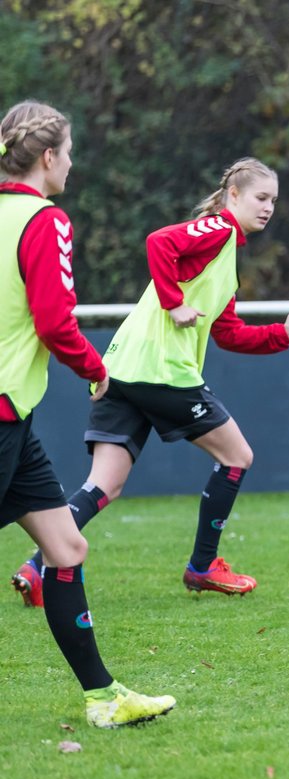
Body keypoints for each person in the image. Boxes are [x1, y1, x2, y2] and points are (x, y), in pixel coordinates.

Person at [12, 157, 289, 603]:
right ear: (233, 195)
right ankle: (203, 566)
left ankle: (38, 566)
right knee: (237, 456)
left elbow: (228, 332)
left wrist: (280, 334)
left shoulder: (225, 255)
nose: (269, 207)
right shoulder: (220, 230)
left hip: (121, 371)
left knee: (104, 485)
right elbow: (158, 241)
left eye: (274, 200)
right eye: (261, 197)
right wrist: (174, 304)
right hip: (162, 372)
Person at [0, 100, 175, 726]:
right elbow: (53, 321)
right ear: (48, 158)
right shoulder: (44, 220)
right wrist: (97, 371)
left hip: (12, 422)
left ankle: (103, 699)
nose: (72, 164)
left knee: (66, 547)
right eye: (68, 153)